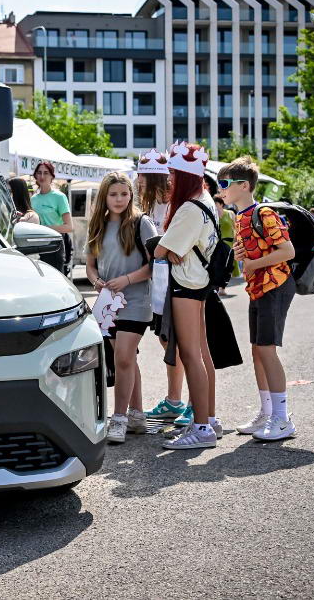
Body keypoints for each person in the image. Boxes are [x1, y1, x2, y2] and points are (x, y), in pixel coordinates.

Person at [218, 156, 298, 441]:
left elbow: (287, 251)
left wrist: (252, 264)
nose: (221, 189)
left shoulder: (263, 213)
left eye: (225, 184)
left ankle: (282, 418)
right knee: (257, 351)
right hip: (258, 288)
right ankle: (267, 411)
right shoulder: (240, 216)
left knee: (266, 350)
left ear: (244, 186)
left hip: (275, 285)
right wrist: (243, 257)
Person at [153, 142, 220, 450]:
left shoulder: (190, 207)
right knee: (200, 354)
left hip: (187, 285)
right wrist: (170, 249)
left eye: (173, 174)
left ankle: (202, 428)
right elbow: (170, 248)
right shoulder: (205, 198)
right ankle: (208, 420)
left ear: (183, 176)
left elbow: (160, 250)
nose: (169, 179)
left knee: (191, 355)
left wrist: (168, 249)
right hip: (199, 282)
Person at [85, 172, 157, 444]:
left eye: (124, 194)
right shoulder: (98, 225)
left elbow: (155, 263)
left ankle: (118, 419)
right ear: (104, 196)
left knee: (123, 358)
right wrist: (96, 281)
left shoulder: (141, 222)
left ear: (131, 195)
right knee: (127, 360)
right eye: (113, 194)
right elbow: (90, 266)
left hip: (137, 301)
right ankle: (136, 414)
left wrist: (127, 279)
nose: (119, 199)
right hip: (108, 305)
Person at [135, 148, 187, 423]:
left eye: (143, 176)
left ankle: (184, 401)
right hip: (158, 280)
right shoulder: (150, 204)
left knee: (179, 342)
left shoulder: (175, 204)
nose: (139, 181)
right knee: (166, 340)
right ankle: (174, 399)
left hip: (178, 280)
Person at [30, 161, 72, 273]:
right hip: (37, 247)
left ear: (52, 176)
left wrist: (45, 229)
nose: (42, 176)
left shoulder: (59, 197)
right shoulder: (33, 199)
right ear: (35, 176)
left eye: (46, 173)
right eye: (39, 173)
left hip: (55, 246)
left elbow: (69, 227)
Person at [214, 195, 239, 295]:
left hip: (229, 243)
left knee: (227, 266)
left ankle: (222, 287)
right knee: (218, 266)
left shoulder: (230, 214)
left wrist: (237, 241)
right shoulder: (212, 214)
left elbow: (236, 228)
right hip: (217, 244)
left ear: (221, 204)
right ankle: (219, 288)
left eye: (216, 203)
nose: (214, 205)